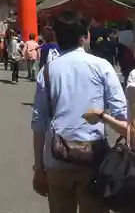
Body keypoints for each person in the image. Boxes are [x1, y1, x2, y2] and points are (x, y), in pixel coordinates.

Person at [31, 11, 127, 213]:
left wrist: (39, 168)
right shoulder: (102, 66)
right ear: (85, 36)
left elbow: (39, 123)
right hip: (94, 160)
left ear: (56, 36)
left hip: (56, 158)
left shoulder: (47, 71)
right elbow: (121, 113)